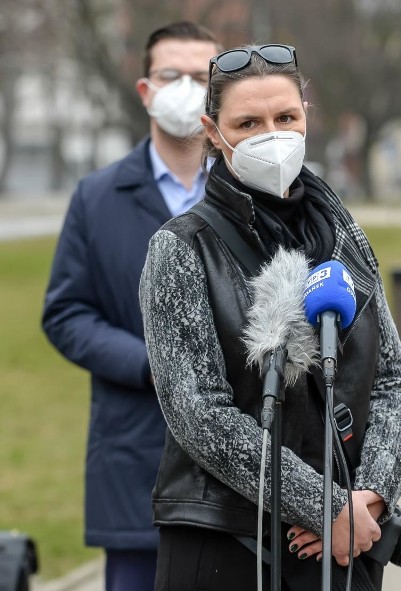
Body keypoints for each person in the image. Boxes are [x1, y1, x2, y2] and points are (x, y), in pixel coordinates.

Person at [138, 44, 401, 590]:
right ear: (213, 132)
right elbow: (200, 416)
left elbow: (394, 380)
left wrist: (369, 498)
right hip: (228, 545)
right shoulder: (180, 249)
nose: (272, 134)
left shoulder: (342, 235)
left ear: (306, 116)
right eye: (248, 122)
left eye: (285, 117)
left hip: (345, 545)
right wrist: (325, 506)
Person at [42, 21, 221, 591]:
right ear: (146, 90)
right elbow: (66, 312)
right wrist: (150, 363)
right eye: (173, 75)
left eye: (202, 76)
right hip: (135, 462)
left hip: (242, 471)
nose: (187, 88)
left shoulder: (253, 194)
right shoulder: (96, 198)